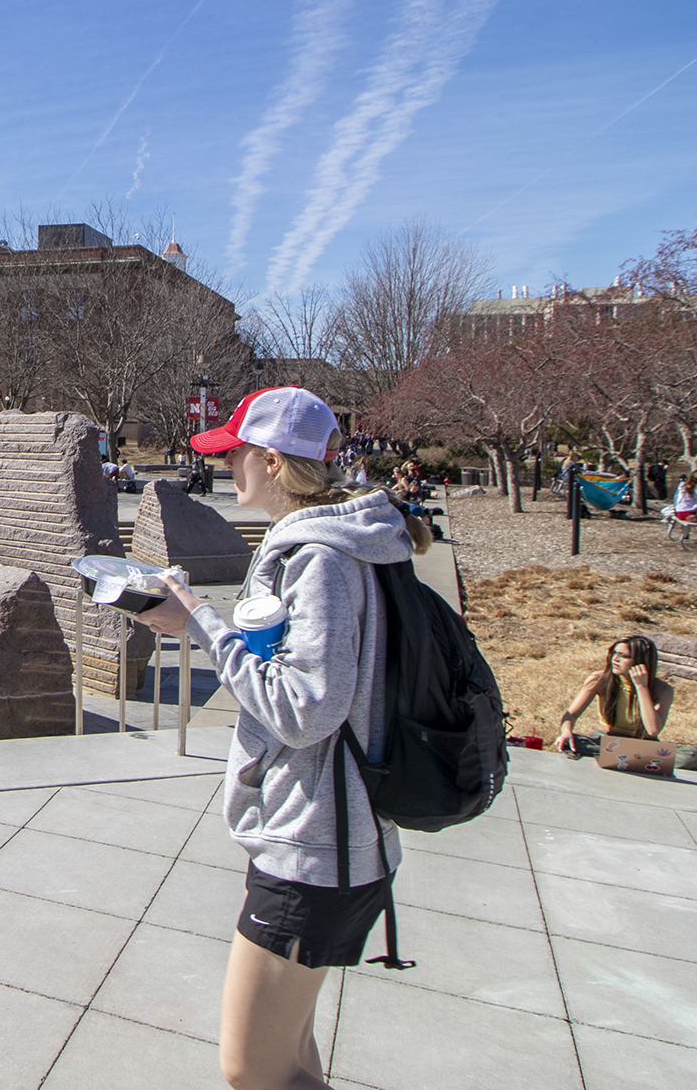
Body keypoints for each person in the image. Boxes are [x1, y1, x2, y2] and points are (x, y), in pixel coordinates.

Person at [137, 385, 429, 1090]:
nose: (226, 466)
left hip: (314, 853)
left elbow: (305, 709)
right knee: (291, 1057)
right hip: (337, 840)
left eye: (235, 453)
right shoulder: (349, 542)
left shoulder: (320, 558)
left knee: (251, 1068)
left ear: (272, 460)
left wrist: (202, 623)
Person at [557, 637, 675, 756]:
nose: (615, 659)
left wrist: (641, 688)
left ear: (641, 660)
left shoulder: (663, 690)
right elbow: (572, 714)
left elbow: (653, 730)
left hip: (642, 744)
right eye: (614, 653)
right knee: (570, 744)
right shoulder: (599, 679)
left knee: (689, 758)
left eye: (623, 656)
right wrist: (566, 731)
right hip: (605, 741)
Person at [665, 477, 694, 549]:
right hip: (686, 514)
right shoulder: (693, 489)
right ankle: (685, 535)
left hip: (679, 512)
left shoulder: (682, 487)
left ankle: (685, 535)